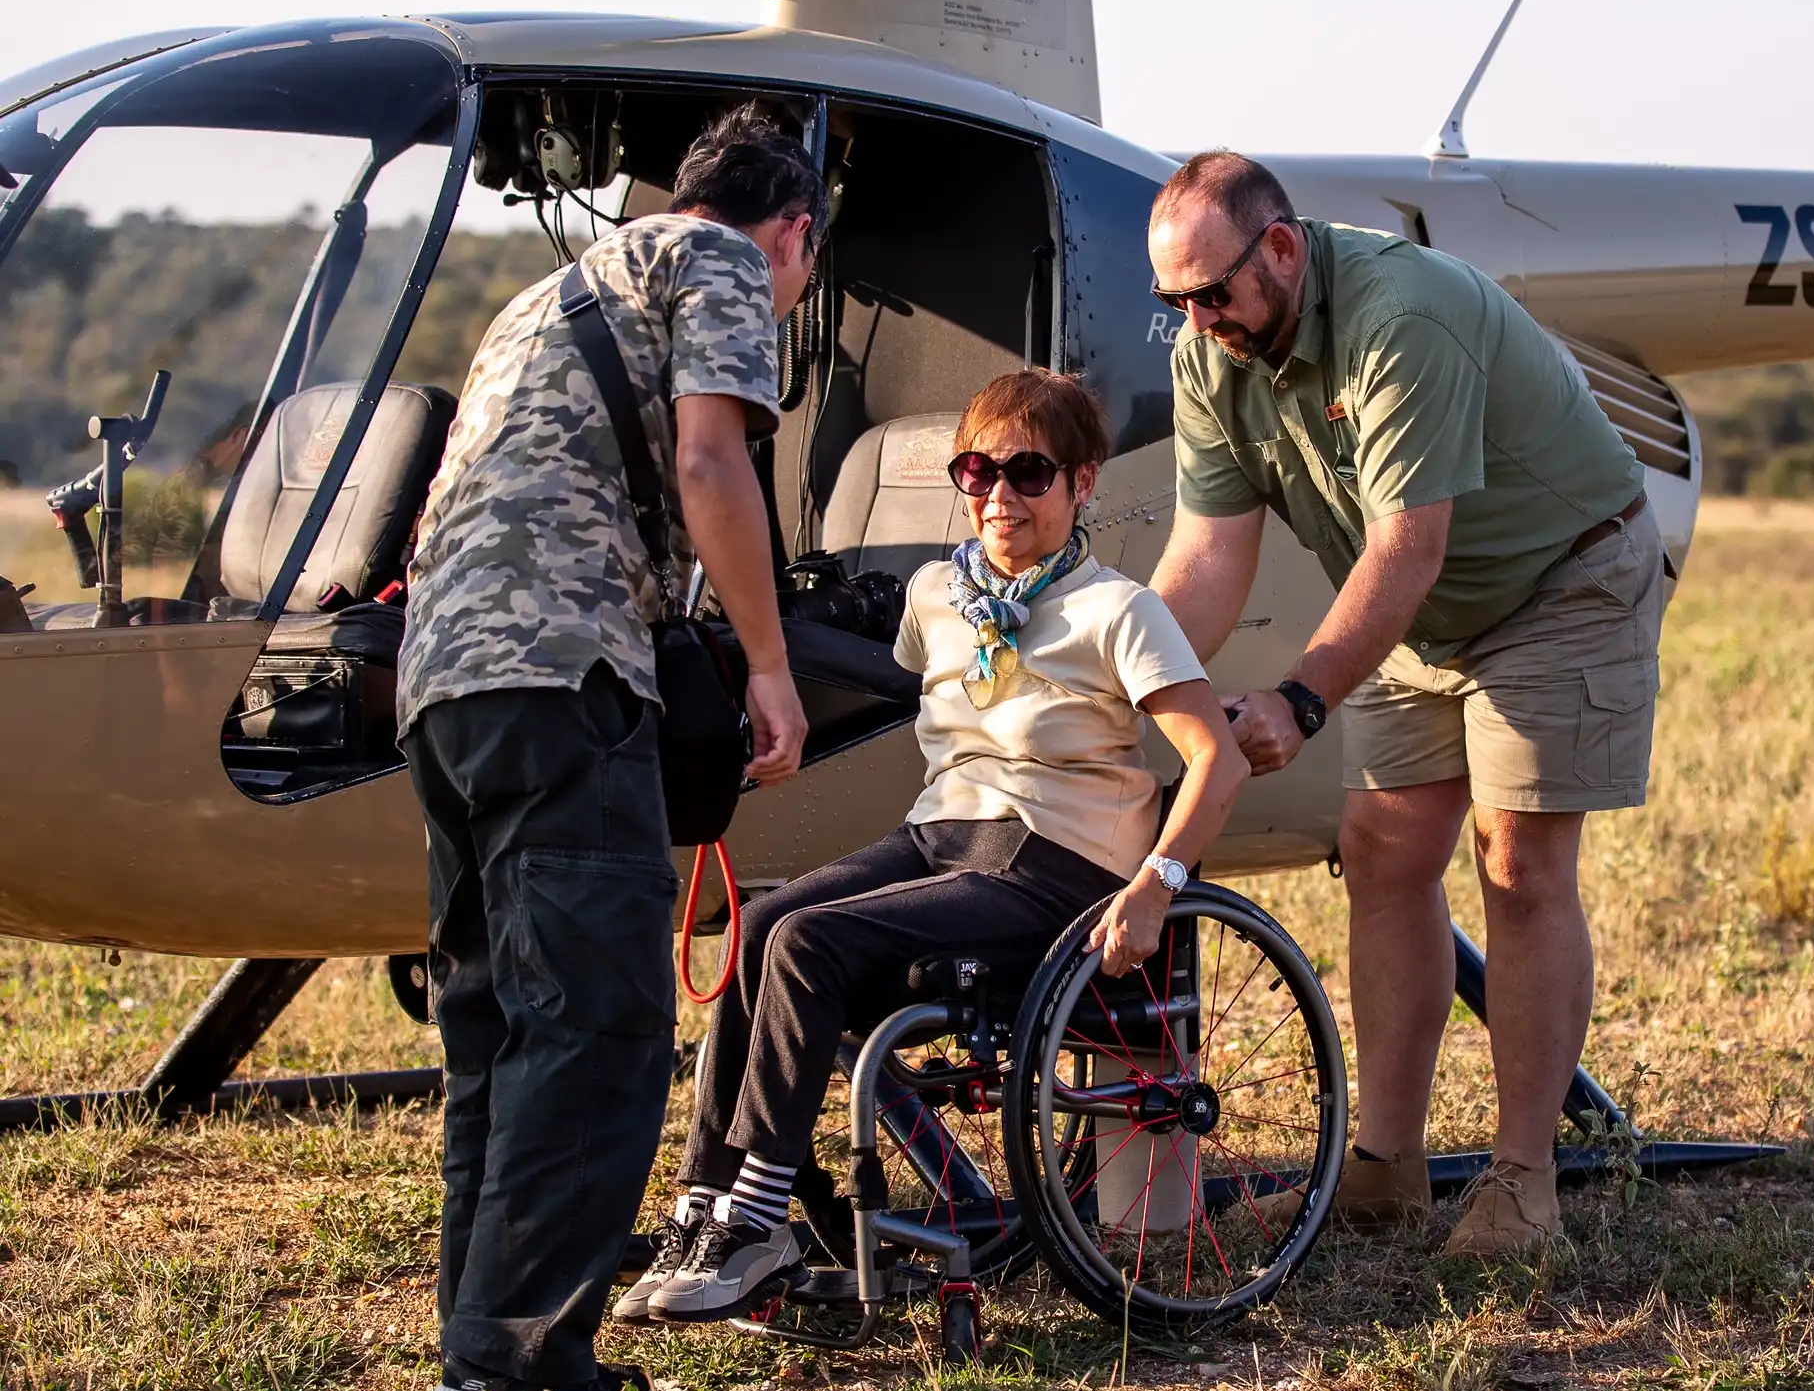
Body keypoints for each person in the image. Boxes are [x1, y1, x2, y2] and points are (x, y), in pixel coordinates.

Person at [620, 368, 1247, 1323]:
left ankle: (754, 1222)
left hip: (1057, 862)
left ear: (1083, 484)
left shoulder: (1118, 610)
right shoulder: (935, 595)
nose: (1000, 497)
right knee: (762, 923)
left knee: (809, 944)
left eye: (1029, 474)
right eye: (977, 471)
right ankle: (705, 1205)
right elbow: (919, 677)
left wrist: (1157, 885)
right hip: (942, 832)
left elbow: (1218, 761)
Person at [1146, 150, 1665, 1259]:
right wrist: (1119, 677)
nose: (1195, 320)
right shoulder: (1211, 358)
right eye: (1173, 300)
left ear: (1280, 248)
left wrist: (1298, 696)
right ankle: (1385, 1169)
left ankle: (1523, 1188)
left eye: (1212, 292)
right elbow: (1204, 557)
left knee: (1517, 863)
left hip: (1558, 577)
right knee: (1381, 852)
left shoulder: (1400, 316)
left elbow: (1406, 545)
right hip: (1421, 613)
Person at [396, 107, 817, 1391]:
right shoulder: (727, 264)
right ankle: (531, 1370)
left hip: (445, 684)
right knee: (604, 1022)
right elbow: (712, 457)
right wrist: (765, 659)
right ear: (795, 231)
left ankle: (479, 1353)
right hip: (559, 666)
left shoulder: (546, 293)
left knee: (503, 1027)